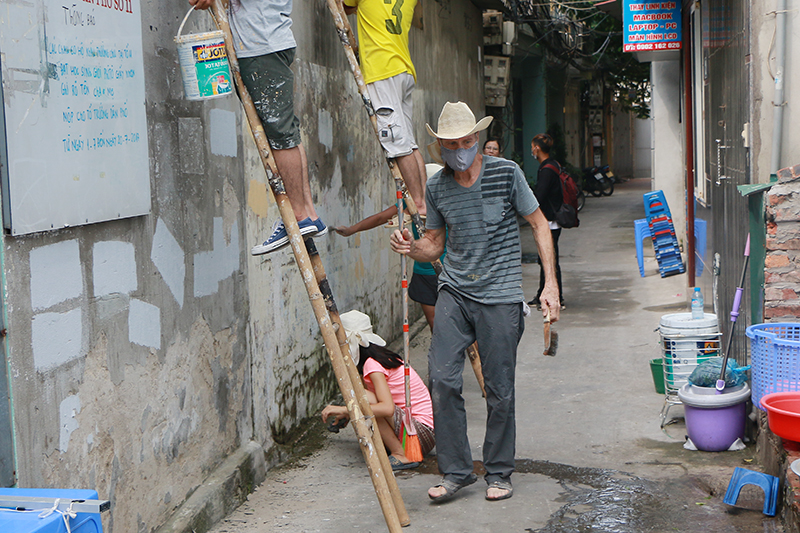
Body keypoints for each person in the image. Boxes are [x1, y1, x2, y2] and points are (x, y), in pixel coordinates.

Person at [390, 102, 559, 503]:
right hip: (455, 290)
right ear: (441, 148)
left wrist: (549, 284)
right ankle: (456, 471)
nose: (460, 149)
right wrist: (411, 248)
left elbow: (537, 223)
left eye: (466, 141)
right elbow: (434, 244)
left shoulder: (507, 174)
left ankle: (499, 472)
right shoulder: (437, 187)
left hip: (500, 295)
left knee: (499, 389)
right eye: (451, 144)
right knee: (442, 378)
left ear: (478, 139)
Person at [190, 0, 327, 255]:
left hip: (259, 45)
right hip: (266, 40)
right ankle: (307, 213)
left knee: (279, 134)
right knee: (286, 132)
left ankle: (298, 217)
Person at [332, 164, 444, 329]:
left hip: (449, 272)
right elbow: (380, 218)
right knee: (437, 325)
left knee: (461, 326)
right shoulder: (411, 206)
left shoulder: (449, 206)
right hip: (424, 273)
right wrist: (352, 230)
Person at [320, 310, 435, 470]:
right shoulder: (377, 360)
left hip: (419, 435)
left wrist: (346, 410)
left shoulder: (372, 365)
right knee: (365, 397)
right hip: (416, 432)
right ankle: (399, 448)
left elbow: (387, 409)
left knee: (365, 399)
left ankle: (401, 454)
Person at [342, 0, 427, 215]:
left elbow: (344, 7)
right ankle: (424, 200)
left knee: (397, 144)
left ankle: (417, 202)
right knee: (409, 143)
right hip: (403, 70)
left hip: (382, 70)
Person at [530, 133, 565, 310]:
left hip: (549, 220)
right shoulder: (553, 165)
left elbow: (539, 197)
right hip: (552, 219)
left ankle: (556, 296)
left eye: (532, 147)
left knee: (549, 258)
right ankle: (541, 294)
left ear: (537, 148)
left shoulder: (547, 170)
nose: (531, 151)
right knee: (547, 258)